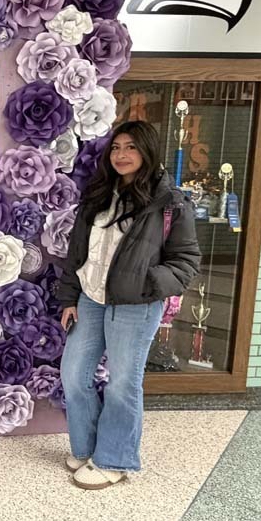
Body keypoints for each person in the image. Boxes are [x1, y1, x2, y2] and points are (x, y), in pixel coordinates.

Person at [57, 120, 200, 490]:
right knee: (73, 375)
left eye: (131, 147)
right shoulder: (99, 194)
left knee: (123, 383)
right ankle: (87, 448)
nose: (121, 154)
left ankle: (114, 458)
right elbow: (78, 253)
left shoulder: (170, 203)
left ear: (147, 151)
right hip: (91, 299)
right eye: (117, 147)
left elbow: (186, 262)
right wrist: (70, 297)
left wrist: (147, 283)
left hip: (135, 306)